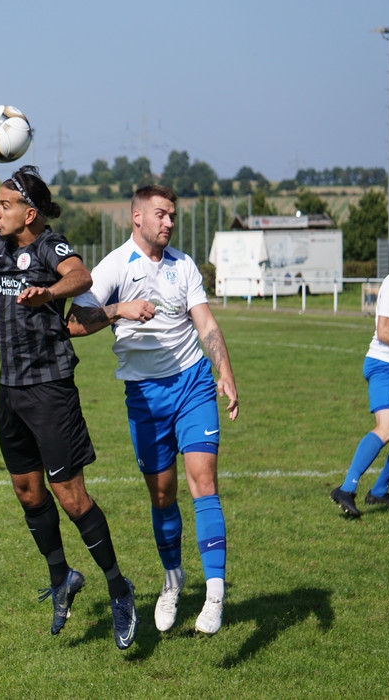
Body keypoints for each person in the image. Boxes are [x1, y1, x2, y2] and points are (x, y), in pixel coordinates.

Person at [0, 165, 138, 649]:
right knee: (27, 492)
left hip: (50, 389)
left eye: (4, 205)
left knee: (71, 497)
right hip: (10, 391)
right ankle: (62, 578)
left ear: (29, 213)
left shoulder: (50, 245)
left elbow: (80, 275)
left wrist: (48, 292)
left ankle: (119, 588)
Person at [67, 184, 238, 637]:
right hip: (144, 396)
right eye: (161, 214)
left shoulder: (184, 266)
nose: (169, 222)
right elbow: (73, 323)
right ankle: (172, 581)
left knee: (204, 482)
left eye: (172, 216)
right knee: (162, 496)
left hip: (192, 384)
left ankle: (215, 594)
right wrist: (119, 310)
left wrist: (224, 371)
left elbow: (205, 322)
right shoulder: (114, 266)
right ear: (137, 217)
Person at [331, 231, 389, 517]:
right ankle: (346, 489)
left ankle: (379, 491)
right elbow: (384, 331)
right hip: (384, 364)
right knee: (388, 428)